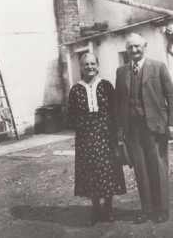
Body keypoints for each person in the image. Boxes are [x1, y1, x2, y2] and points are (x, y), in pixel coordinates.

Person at [114, 33, 173, 224]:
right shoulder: (121, 71)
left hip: (156, 127)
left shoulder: (158, 67)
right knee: (140, 170)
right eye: (129, 48)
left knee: (157, 168)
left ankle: (162, 209)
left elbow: (172, 96)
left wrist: (172, 123)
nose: (133, 50)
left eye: (137, 46)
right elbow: (118, 102)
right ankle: (147, 209)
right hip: (132, 129)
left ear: (145, 45)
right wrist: (119, 128)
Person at [68, 53, 126, 225]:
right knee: (91, 171)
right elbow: (71, 115)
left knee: (107, 169)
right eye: (86, 64)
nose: (90, 67)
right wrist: (84, 126)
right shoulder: (76, 89)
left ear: (98, 65)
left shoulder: (106, 85)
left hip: (106, 134)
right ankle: (95, 210)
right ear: (81, 67)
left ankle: (108, 208)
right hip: (86, 137)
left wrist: (117, 131)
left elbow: (115, 109)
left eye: (93, 63)